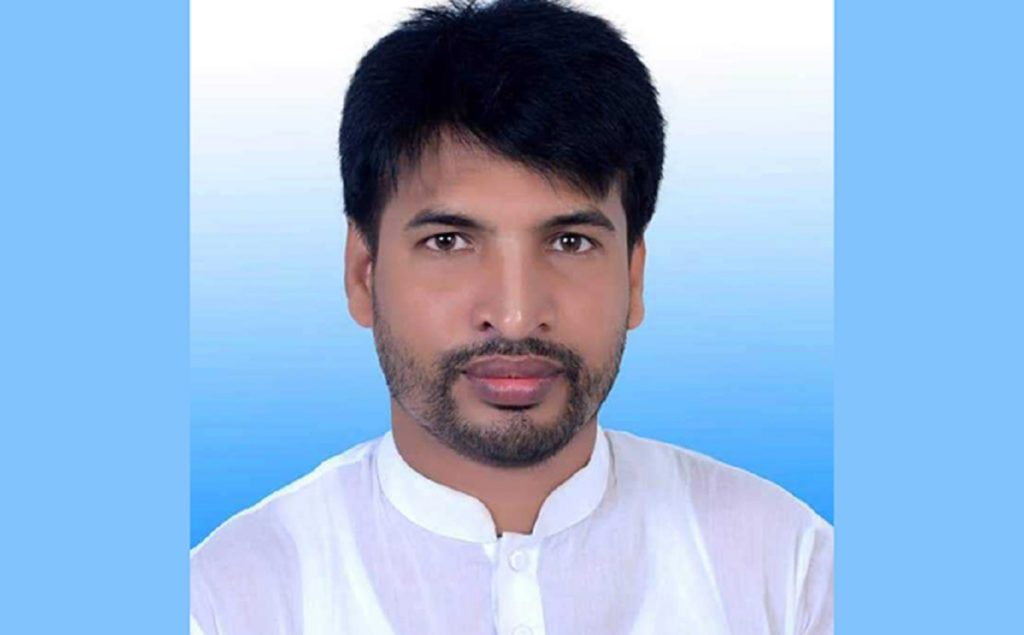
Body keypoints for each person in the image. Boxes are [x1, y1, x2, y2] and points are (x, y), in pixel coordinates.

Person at [189, 1, 833, 633]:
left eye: (570, 242)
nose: (516, 314)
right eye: (449, 242)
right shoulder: (226, 601)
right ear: (363, 274)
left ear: (634, 277)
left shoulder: (789, 571)